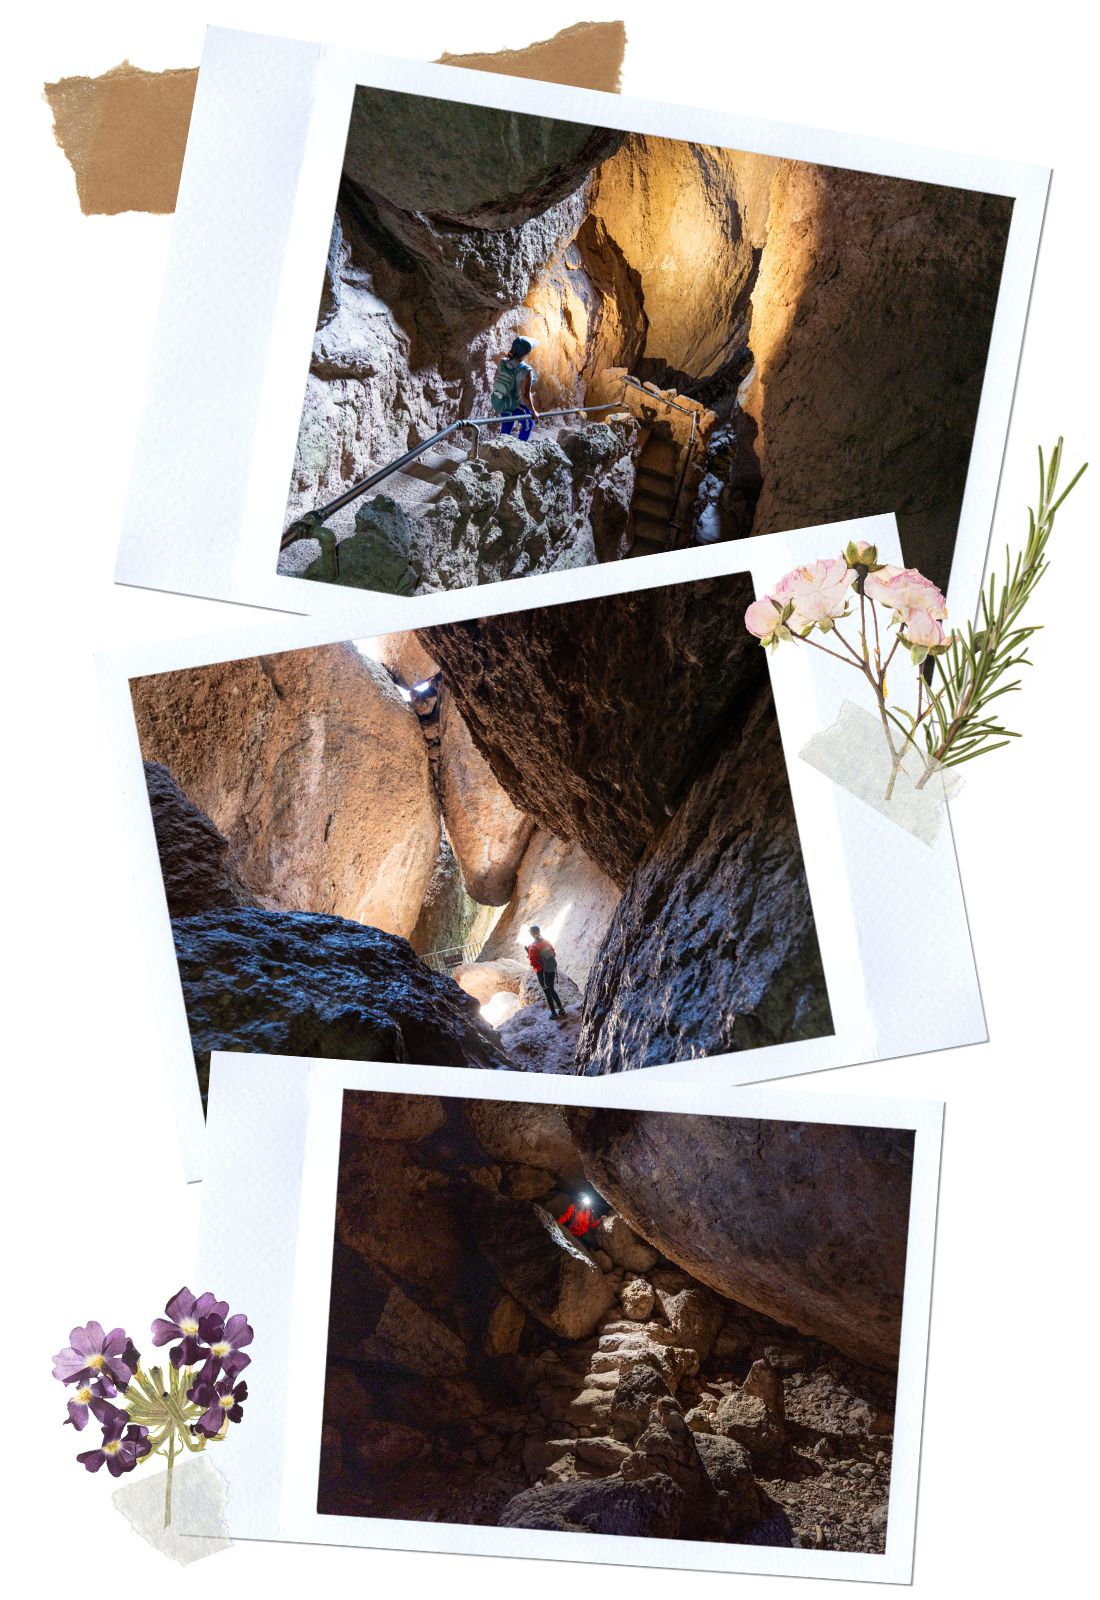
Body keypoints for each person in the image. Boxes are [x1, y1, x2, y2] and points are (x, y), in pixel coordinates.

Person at [490, 337, 540, 442]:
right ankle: (520, 447)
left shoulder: (503, 362)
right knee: (528, 424)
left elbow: (496, 380)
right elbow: (525, 396)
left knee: (507, 423)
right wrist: (533, 411)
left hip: (499, 401)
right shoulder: (526, 370)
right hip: (512, 404)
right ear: (526, 353)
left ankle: (500, 447)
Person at [525, 924, 565, 1018]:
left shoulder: (532, 947)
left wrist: (530, 956)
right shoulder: (546, 942)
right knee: (552, 989)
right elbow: (553, 953)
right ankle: (561, 1009)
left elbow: (533, 962)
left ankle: (553, 1013)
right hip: (551, 969)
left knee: (547, 992)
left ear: (531, 934)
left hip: (542, 972)